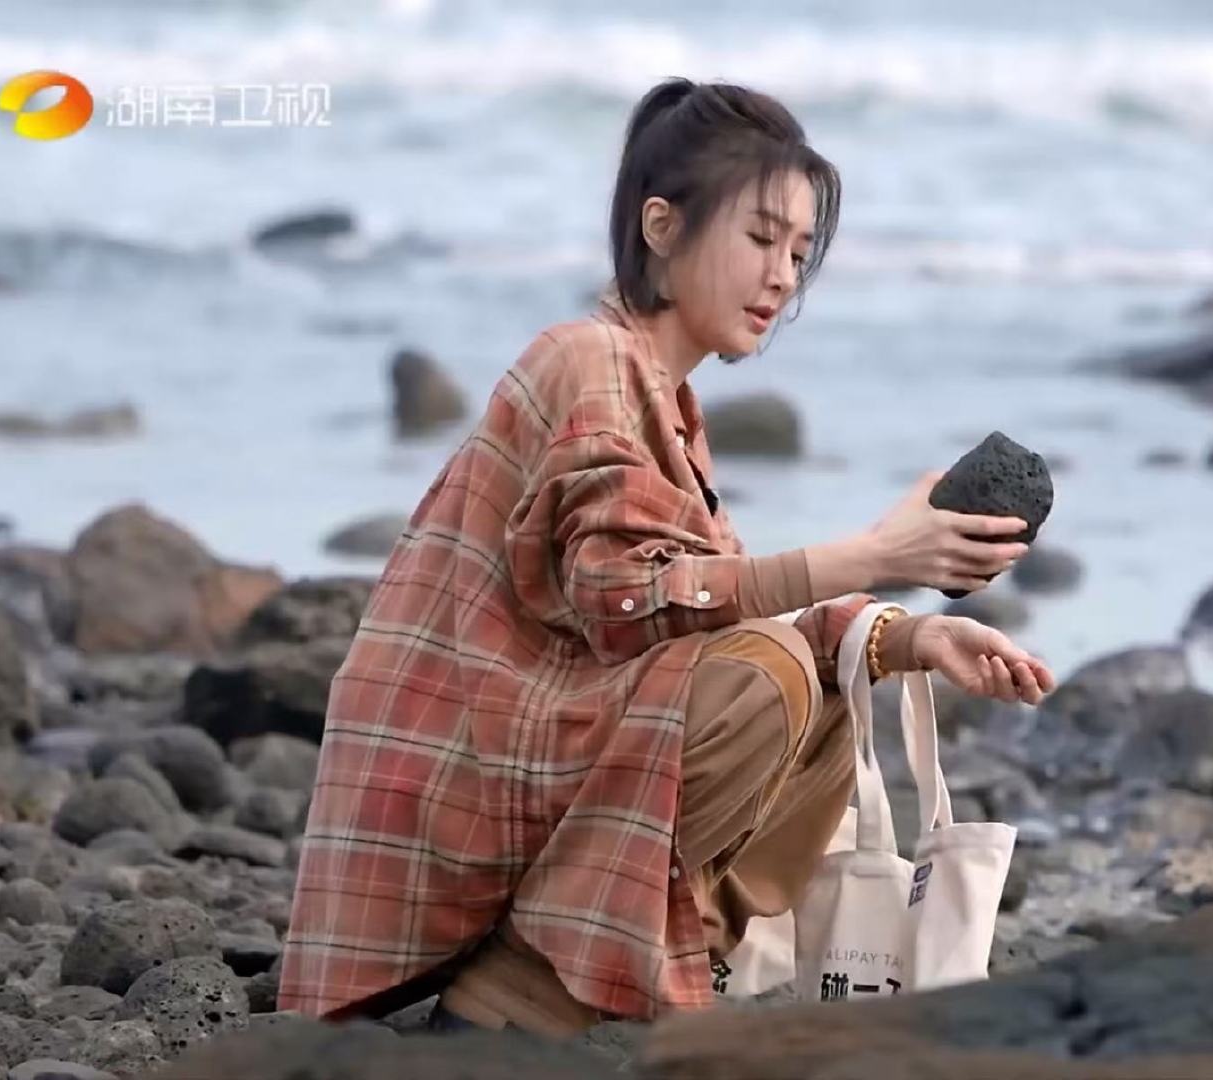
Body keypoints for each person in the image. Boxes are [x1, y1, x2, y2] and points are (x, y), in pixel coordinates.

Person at [277, 77, 1057, 1035]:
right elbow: (629, 600)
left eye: (799, 253)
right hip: (451, 770)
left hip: (526, 751)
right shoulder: (589, 359)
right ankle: (525, 992)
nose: (783, 277)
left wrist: (908, 638)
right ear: (661, 226)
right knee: (768, 679)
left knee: (818, 685)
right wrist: (873, 555)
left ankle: (609, 969)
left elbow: (720, 604)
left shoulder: (667, 406)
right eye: (761, 238)